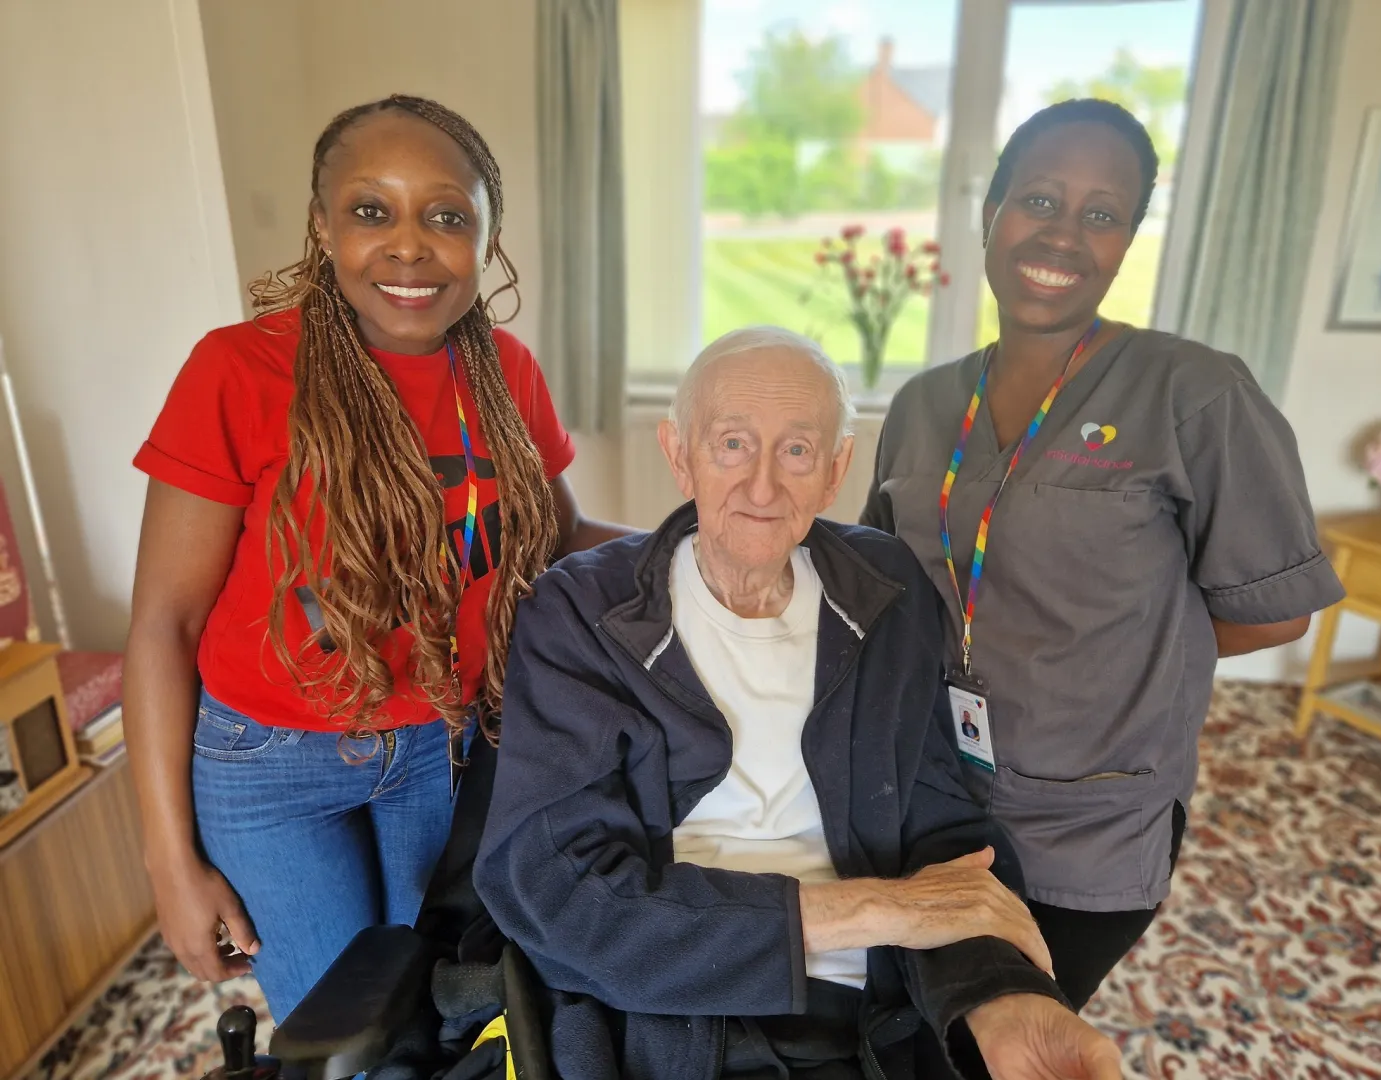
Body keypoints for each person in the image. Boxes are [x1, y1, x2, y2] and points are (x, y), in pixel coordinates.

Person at [475, 327, 1123, 1080]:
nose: (761, 487)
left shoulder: (884, 589)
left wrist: (1000, 996)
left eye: (795, 450)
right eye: (730, 444)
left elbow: (942, 831)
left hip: (861, 1014)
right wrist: (873, 911)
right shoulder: (582, 610)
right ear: (677, 453)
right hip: (664, 1013)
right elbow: (556, 890)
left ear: (835, 470)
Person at [124, 95, 628, 1023]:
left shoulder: (504, 370)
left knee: (446, 1013)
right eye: (370, 211)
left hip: (447, 746)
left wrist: (699, 541)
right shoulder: (239, 370)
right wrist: (170, 863)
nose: (408, 245)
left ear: (486, 235)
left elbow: (557, 538)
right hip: (270, 765)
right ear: (322, 226)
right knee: (341, 1035)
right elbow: (167, 621)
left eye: (446, 215)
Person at [861, 98, 1344, 1010]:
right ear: (988, 214)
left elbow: (1275, 607)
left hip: (1090, 823)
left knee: (1013, 1032)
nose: (1065, 234)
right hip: (927, 789)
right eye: (1039, 200)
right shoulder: (924, 405)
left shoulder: (1193, 393)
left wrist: (1120, 656)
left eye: (1101, 214)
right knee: (903, 1016)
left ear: (1126, 240)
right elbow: (886, 580)